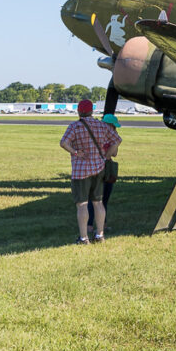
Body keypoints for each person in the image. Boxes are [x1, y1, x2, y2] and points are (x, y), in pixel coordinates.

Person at [60, 100, 121, 244]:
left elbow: (63, 143)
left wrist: (75, 152)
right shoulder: (101, 125)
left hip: (81, 170)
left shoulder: (74, 126)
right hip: (99, 168)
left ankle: (83, 237)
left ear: (79, 111)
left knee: (82, 204)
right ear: (92, 111)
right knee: (98, 202)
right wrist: (106, 156)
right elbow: (117, 140)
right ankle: (100, 235)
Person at [87, 113, 122, 231]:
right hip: (105, 168)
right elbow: (114, 154)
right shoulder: (112, 138)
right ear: (109, 125)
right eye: (114, 127)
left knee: (94, 199)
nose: (115, 129)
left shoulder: (95, 134)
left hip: (95, 166)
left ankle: (90, 226)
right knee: (102, 200)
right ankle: (99, 225)